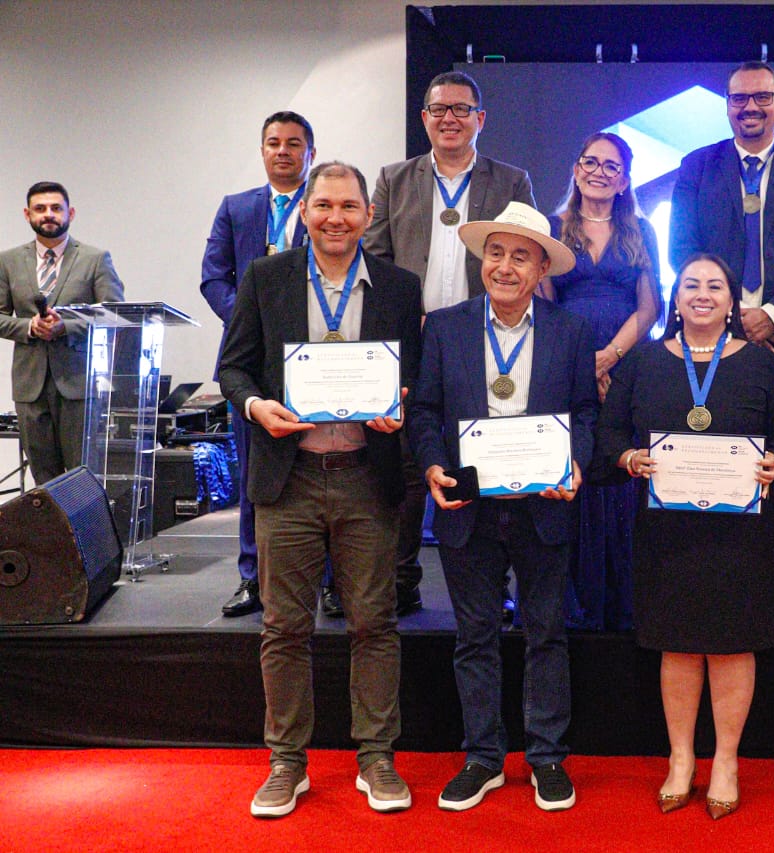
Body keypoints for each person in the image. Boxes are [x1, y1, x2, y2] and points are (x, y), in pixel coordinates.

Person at [218, 162, 422, 818]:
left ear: (368, 215)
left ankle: (377, 756)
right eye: (324, 205)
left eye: (349, 206)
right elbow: (233, 369)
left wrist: (401, 404)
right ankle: (286, 762)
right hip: (291, 477)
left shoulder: (399, 286)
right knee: (284, 625)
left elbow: (415, 375)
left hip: (367, 474)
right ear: (304, 211)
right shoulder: (265, 277)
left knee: (374, 622)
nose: (337, 218)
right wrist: (256, 407)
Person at [591, 252, 774, 819]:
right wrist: (628, 458)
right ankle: (681, 758)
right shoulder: (643, 362)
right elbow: (609, 433)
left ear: (733, 300)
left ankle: (727, 760)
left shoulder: (761, 364)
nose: (703, 294)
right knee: (679, 644)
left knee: (733, 644)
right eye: (691, 285)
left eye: (715, 285)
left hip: (743, 536)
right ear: (676, 296)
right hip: (669, 533)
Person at [409, 201, 596, 813]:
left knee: (547, 634)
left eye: (520, 257)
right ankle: (483, 758)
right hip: (469, 507)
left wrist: (576, 463)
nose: (505, 267)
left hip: (544, 503)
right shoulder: (445, 327)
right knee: (475, 636)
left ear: (541, 269)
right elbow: (426, 411)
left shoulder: (571, 331)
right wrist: (432, 465)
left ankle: (546, 757)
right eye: (495, 253)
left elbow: (586, 413)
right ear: (481, 260)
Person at [669, 60, 774, 629]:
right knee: (711, 459)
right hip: (710, 341)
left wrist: (772, 315)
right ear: (727, 105)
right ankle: (707, 583)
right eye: (739, 98)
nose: (750, 108)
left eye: (762, 97)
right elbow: (682, 251)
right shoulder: (697, 166)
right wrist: (732, 321)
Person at [367, 69, 535, 619]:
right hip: (411, 340)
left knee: (484, 452)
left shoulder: (511, 181)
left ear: (480, 119)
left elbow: (525, 256)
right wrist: (403, 320)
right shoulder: (394, 178)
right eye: (439, 109)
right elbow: (376, 260)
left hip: (482, 339)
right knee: (407, 462)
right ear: (424, 119)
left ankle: (495, 583)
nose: (450, 119)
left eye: (461, 109)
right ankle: (401, 577)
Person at [541, 131, 661, 631]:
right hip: (565, 366)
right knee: (577, 466)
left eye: (612, 166)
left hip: (626, 367)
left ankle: (620, 600)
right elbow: (544, 302)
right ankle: (574, 601)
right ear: (576, 169)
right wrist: (581, 363)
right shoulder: (552, 227)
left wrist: (610, 357)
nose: (599, 172)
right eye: (591, 162)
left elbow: (650, 307)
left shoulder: (641, 230)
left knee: (618, 470)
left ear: (625, 180)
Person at [201, 111, 316, 618]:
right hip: (250, 363)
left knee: (323, 472)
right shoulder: (236, 207)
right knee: (254, 474)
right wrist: (252, 322)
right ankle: (253, 576)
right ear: (263, 150)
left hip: (317, 356)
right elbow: (213, 277)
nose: (283, 151)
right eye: (274, 142)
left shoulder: (325, 204)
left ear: (310, 152)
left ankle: (328, 580)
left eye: (294, 143)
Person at [0, 181, 124, 485]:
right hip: (30, 386)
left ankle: (86, 520)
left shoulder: (95, 259)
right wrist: (30, 326)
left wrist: (64, 327)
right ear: (27, 214)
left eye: (56, 208)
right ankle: (49, 521)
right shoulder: (8, 261)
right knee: (44, 481)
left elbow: (114, 315)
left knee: (83, 478)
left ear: (71, 213)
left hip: (78, 385)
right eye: (40, 208)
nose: (48, 214)